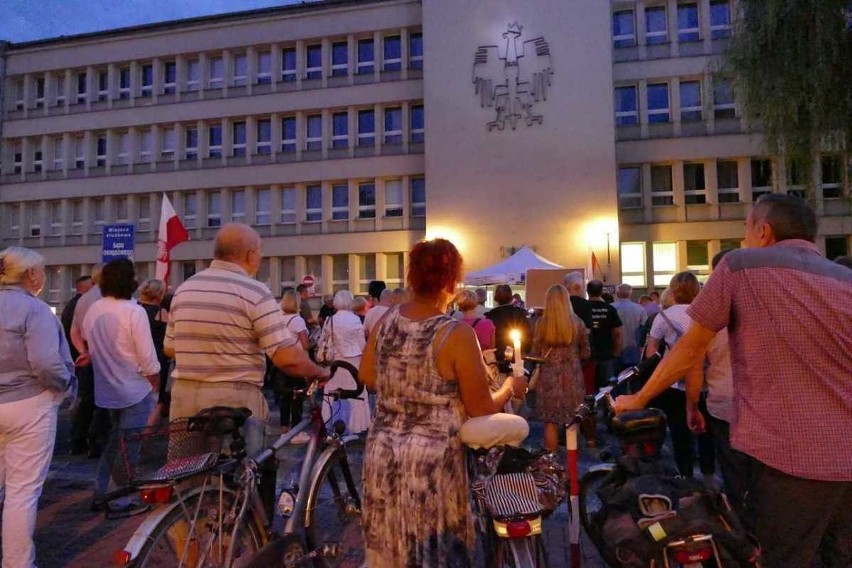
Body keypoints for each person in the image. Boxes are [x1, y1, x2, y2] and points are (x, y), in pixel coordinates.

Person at [615, 195, 852, 567]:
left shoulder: (741, 266)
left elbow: (690, 348)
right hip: (844, 451)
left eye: (746, 228)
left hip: (791, 458)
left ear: (763, 230)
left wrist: (639, 398)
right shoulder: (844, 278)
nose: (744, 239)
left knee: (777, 556)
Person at [359, 238, 527, 566]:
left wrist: (406, 391)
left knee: (387, 550)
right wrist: (509, 388)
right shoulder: (455, 334)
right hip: (432, 465)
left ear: (412, 277)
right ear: (451, 282)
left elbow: (367, 376)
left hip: (383, 453)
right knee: (433, 553)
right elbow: (480, 407)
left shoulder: (386, 322)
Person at [164, 223, 328, 457]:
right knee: (239, 479)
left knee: (189, 478)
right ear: (251, 254)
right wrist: (318, 371)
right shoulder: (254, 292)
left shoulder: (185, 289)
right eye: (260, 250)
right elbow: (286, 357)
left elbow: (170, 348)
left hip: (185, 399)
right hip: (233, 401)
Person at [0, 247, 76, 568]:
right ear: (31, 275)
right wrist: (65, 386)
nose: (44, 276)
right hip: (29, 404)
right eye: (43, 271)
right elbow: (47, 363)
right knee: (21, 493)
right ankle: (17, 563)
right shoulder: (34, 310)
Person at [79, 259, 160, 519]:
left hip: (107, 389)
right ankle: (121, 499)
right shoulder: (133, 311)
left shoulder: (94, 309)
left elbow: (89, 341)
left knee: (114, 443)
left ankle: (101, 491)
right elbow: (147, 357)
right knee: (129, 448)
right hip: (134, 388)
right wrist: (155, 381)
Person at [643, 271, 711, 479]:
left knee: (678, 428)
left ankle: (684, 474)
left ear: (673, 291)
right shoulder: (707, 314)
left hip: (673, 380)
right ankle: (708, 473)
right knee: (706, 430)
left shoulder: (663, 316)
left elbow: (651, 352)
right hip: (704, 378)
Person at [701, 248, 749, 510]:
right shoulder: (767, 306)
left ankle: (741, 526)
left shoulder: (708, 314)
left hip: (723, 402)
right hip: (760, 404)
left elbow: (693, 360)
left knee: (733, 471)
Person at [532, 284, 591, 451]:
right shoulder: (577, 323)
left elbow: (536, 352)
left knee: (550, 423)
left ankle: (552, 463)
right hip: (572, 377)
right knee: (572, 421)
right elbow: (585, 352)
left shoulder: (541, 324)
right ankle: (573, 464)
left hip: (549, 378)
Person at [70, 264, 111, 459]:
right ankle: (97, 440)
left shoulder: (83, 299)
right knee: (104, 399)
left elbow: (74, 330)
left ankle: (78, 440)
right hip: (103, 354)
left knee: (87, 399)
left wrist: (83, 351)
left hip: (87, 352)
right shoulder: (106, 298)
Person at [321, 290, 371, 435]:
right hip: (353, 362)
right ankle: (353, 426)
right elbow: (362, 344)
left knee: (333, 393)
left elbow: (323, 342)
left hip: (335, 363)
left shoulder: (329, 320)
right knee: (355, 394)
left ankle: (331, 423)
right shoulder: (355, 320)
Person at [273, 288, 311, 444]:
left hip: (282, 361)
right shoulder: (297, 320)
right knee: (297, 397)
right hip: (296, 362)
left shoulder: (278, 319)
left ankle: (284, 431)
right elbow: (305, 344)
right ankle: (296, 432)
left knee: (285, 398)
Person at [137, 278, 171, 418]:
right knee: (157, 398)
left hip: (137, 357)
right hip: (158, 357)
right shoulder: (161, 313)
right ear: (159, 294)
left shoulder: (136, 308)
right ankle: (146, 433)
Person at [485, 284, 531, 374]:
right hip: (517, 356)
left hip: (497, 358)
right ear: (511, 297)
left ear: (496, 298)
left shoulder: (491, 315)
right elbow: (527, 336)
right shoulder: (520, 313)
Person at [587, 279, 622, 388]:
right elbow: (617, 332)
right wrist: (617, 350)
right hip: (607, 352)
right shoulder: (610, 309)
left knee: (589, 387)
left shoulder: (583, 308)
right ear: (601, 291)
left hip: (588, 354)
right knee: (608, 388)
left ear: (587, 291)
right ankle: (608, 404)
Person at [612, 283, 647, 371]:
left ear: (617, 294)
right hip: (634, 348)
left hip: (615, 348)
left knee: (616, 377)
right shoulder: (640, 309)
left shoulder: (611, 308)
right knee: (634, 375)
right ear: (630, 294)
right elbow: (645, 328)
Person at [61, 275, 93, 361]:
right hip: (81, 355)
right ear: (87, 288)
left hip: (72, 353)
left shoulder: (70, 304)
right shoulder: (82, 304)